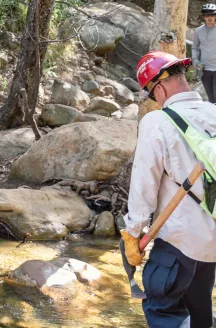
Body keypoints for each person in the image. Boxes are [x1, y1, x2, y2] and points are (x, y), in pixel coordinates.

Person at [122, 51, 216, 328]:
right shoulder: (214, 112)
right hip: (212, 242)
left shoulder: (157, 123)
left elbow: (143, 186)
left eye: (152, 95)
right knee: (200, 312)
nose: (156, 100)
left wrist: (133, 234)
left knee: (161, 307)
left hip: (179, 239)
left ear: (159, 88)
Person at [193, 3, 216, 103]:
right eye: (207, 15)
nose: (209, 17)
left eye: (212, 15)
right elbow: (195, 47)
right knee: (211, 98)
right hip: (204, 70)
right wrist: (195, 59)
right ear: (203, 17)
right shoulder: (198, 31)